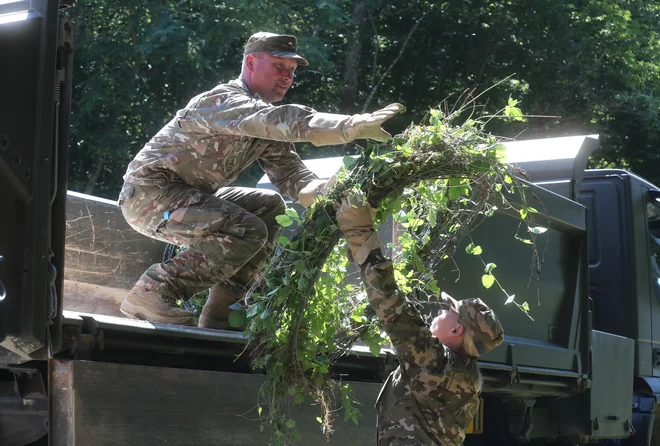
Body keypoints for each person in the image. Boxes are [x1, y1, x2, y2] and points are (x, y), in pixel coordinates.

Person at [117, 31, 402, 328]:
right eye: (279, 66)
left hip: (185, 198)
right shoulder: (223, 101)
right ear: (251, 62)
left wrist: (339, 193)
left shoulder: (263, 123)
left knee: (267, 206)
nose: (287, 77)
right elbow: (285, 121)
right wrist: (349, 126)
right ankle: (153, 291)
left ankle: (222, 311)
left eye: (292, 71)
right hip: (149, 196)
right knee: (247, 229)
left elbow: (296, 180)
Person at [335, 194, 504, 446]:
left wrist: (360, 232)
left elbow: (391, 304)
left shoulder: (435, 363)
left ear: (458, 328)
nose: (439, 311)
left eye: (449, 310)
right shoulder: (461, 372)